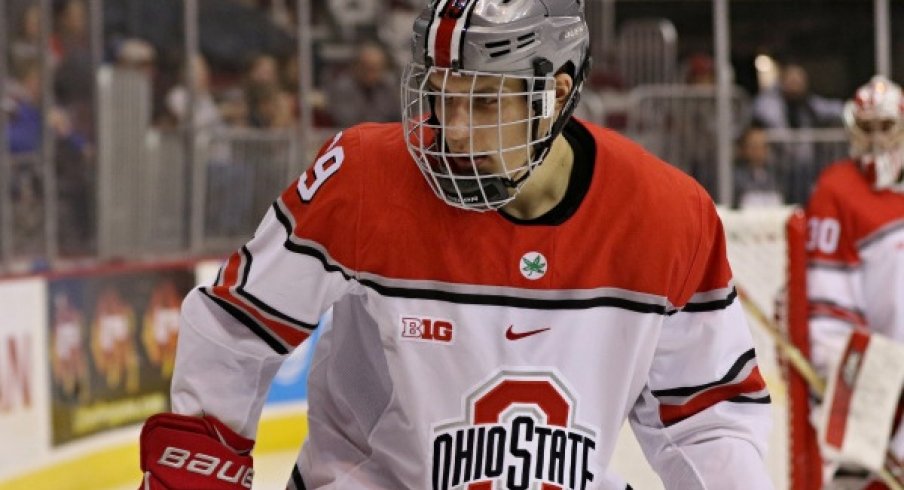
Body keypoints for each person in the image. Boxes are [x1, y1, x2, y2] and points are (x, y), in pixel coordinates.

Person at [137, 2, 774, 489]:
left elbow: (709, 409)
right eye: (444, 96)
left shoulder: (666, 215)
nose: (455, 131)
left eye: (486, 101)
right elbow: (236, 326)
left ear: (554, 95)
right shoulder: (365, 178)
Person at [803, 75, 904, 489]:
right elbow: (826, 301)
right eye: (867, 127)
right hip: (878, 373)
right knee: (857, 477)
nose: (877, 138)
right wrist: (848, 369)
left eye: (885, 126)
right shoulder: (836, 189)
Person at [752, 62, 844, 204]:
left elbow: (833, 109)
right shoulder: (771, 101)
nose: (795, 85)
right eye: (791, 80)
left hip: (804, 161)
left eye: (799, 81)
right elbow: (762, 111)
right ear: (782, 81)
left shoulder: (808, 103)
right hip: (778, 160)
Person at [325, 41, 400, 127]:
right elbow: (346, 120)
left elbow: (398, 115)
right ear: (357, 66)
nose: (372, 73)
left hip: (382, 136)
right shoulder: (342, 88)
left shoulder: (387, 86)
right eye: (368, 68)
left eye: (377, 68)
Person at [733, 123, 784, 209]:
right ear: (744, 148)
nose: (758, 150)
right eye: (754, 146)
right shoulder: (735, 178)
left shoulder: (776, 175)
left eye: (762, 146)